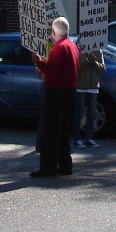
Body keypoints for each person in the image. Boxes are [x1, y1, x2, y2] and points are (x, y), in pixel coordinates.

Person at [31, 16, 79, 177]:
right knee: (63, 130)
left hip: (56, 91)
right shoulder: (72, 45)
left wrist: (38, 62)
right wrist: (44, 68)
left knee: (51, 130)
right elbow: (59, 69)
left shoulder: (59, 47)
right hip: (69, 90)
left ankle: (48, 167)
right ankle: (65, 165)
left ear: (53, 31)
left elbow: (53, 71)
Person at [73, 46, 105, 148]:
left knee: (92, 113)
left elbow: (102, 69)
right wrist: (87, 60)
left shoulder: (98, 51)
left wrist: (94, 62)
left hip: (93, 87)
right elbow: (75, 67)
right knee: (79, 112)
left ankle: (89, 138)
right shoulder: (78, 50)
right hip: (80, 86)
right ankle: (77, 139)